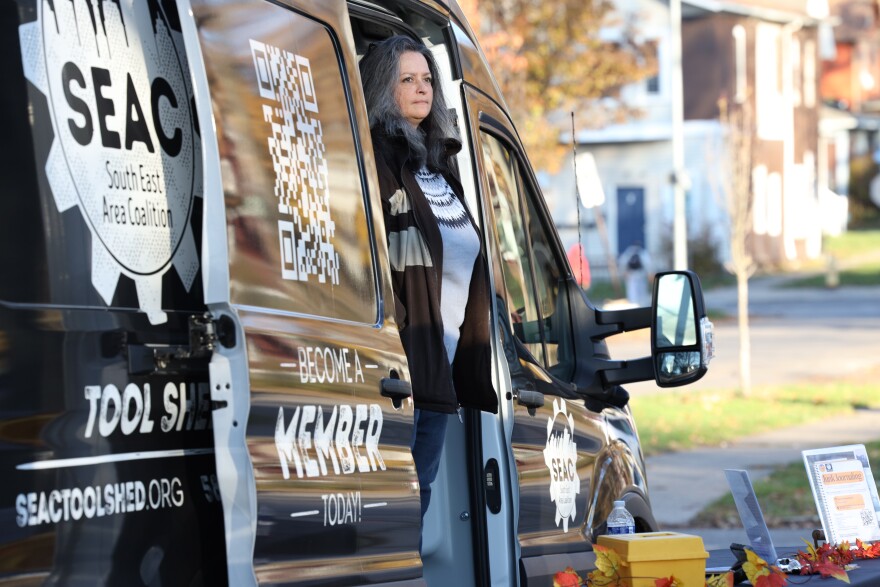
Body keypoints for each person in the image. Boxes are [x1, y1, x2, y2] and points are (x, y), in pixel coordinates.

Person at [359, 36, 498, 522]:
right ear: (382, 87)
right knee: (401, 519)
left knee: (418, 513)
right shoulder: (379, 161)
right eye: (407, 79)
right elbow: (372, 261)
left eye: (427, 79)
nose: (422, 89)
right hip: (403, 372)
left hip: (440, 373)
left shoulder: (439, 164)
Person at [618, 241, 652, 306]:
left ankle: (636, 307)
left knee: (633, 295)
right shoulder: (642, 253)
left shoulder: (628, 253)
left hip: (634, 277)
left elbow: (622, 263)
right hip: (638, 276)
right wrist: (649, 273)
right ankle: (639, 308)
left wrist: (623, 272)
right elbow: (648, 264)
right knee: (640, 296)